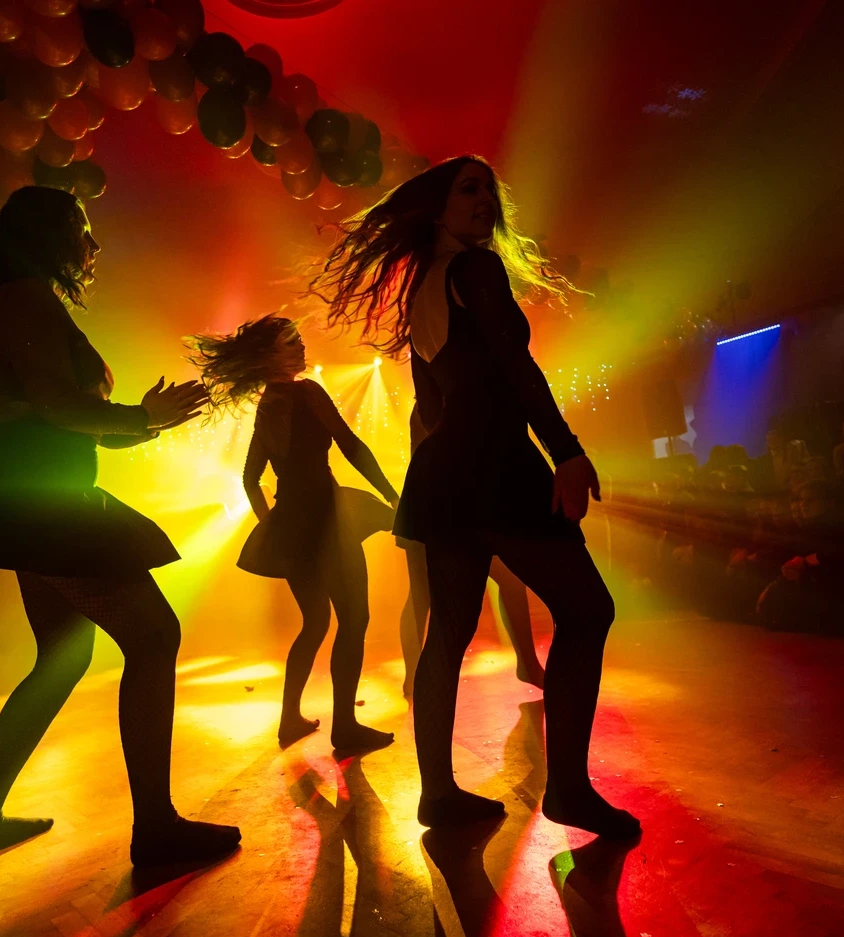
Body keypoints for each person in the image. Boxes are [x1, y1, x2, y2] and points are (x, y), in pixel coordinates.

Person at [0, 186, 240, 866]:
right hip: (47, 501)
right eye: (82, 230)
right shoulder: (26, 300)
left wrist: (144, 420)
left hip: (40, 493)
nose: (93, 245)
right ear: (48, 236)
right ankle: (155, 829)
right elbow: (57, 408)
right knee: (154, 636)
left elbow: (65, 417)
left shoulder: (28, 300)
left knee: (65, 657)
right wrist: (142, 418)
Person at [310, 155, 639, 837]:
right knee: (589, 610)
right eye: (469, 189)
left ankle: (437, 794)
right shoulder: (475, 270)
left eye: (490, 190)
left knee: (448, 635)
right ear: (439, 206)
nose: (485, 199)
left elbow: (428, 409)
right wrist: (566, 450)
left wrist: (435, 474)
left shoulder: (422, 291)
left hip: (445, 472)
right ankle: (569, 790)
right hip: (494, 463)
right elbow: (517, 365)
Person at [189, 316, 399, 750]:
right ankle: (345, 727)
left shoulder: (268, 404)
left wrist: (271, 524)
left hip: (291, 523)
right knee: (354, 619)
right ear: (272, 354)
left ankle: (289, 720)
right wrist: (393, 495)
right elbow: (350, 445)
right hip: (326, 517)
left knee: (316, 622)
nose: (302, 346)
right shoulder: (307, 392)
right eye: (292, 341)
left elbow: (250, 479)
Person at [399, 405, 547, 696]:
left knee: (422, 594)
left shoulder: (434, 404)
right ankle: (527, 664)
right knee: (423, 594)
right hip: (442, 509)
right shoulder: (438, 405)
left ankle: (414, 675)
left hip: (441, 508)